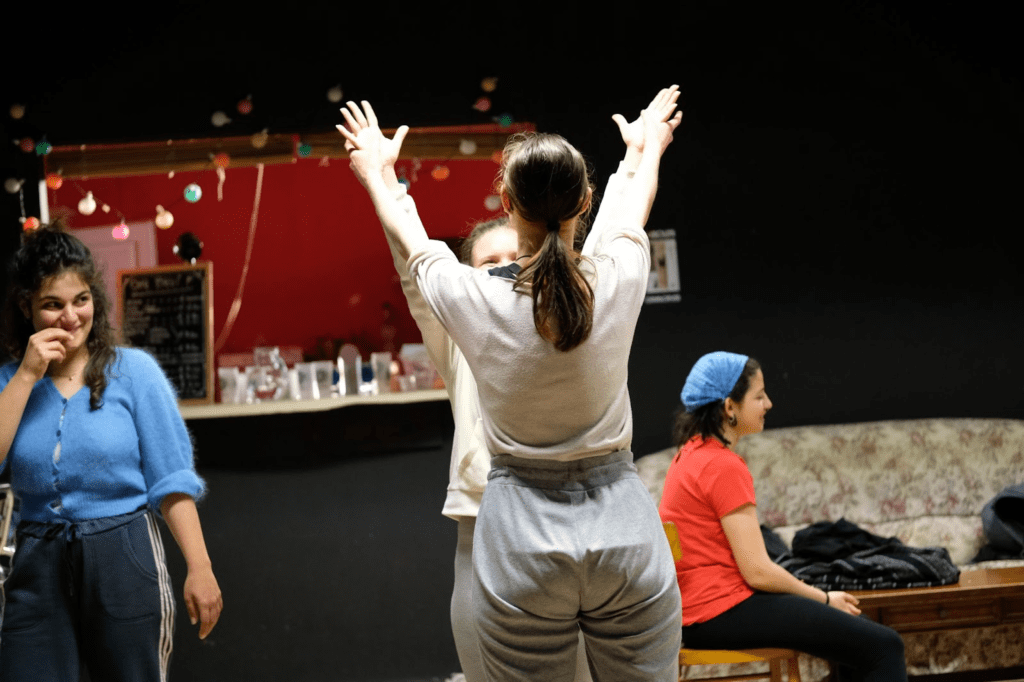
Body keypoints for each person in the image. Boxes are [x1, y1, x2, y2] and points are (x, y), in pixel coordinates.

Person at [338, 85, 684, 681]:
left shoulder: (470, 297)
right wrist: (645, 149)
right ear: (584, 201)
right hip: (624, 530)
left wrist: (378, 172)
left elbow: (411, 239)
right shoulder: (620, 276)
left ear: (506, 202)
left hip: (520, 535)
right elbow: (631, 207)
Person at [0, 224, 222, 681]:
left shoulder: (135, 373)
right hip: (38, 559)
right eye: (52, 304)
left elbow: (171, 480)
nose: (70, 317)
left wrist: (200, 567)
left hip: (123, 555)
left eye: (81, 299)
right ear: (26, 307)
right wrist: (26, 375)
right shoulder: (10, 381)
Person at [659, 351, 907, 681]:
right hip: (721, 611)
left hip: (698, 615)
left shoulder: (689, 455)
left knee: (856, 642)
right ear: (730, 407)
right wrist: (824, 598)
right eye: (759, 396)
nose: (769, 404)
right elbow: (758, 572)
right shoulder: (722, 465)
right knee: (885, 646)